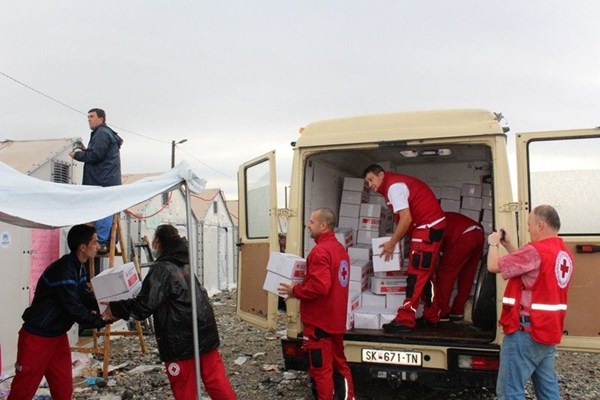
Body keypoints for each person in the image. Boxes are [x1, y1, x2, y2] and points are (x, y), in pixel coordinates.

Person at [102, 224, 236, 400]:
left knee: (184, 388)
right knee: (216, 381)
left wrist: (114, 307)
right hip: (205, 331)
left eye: (154, 242)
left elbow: (143, 306)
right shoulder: (185, 264)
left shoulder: (162, 269)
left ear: (158, 242)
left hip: (179, 340)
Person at [8, 224, 107, 400]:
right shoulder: (65, 270)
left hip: (57, 336)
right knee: (24, 388)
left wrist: (109, 304)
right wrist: (101, 320)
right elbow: (73, 306)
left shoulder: (79, 267)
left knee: (63, 386)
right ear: (82, 247)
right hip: (37, 337)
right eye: (95, 242)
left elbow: (84, 296)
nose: (98, 246)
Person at [487, 205, 574, 399]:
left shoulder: (536, 251)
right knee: (548, 391)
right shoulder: (562, 253)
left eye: (529, 225)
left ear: (540, 225)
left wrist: (493, 244)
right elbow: (528, 267)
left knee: (510, 391)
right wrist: (509, 246)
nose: (528, 229)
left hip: (525, 333)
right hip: (547, 331)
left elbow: (493, 266)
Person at [278, 208, 355, 400]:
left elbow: (320, 287)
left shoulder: (320, 252)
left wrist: (295, 291)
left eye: (311, 222)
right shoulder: (339, 250)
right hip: (335, 321)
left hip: (320, 323)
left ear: (323, 225)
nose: (307, 225)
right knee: (340, 365)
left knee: (321, 371)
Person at [363, 164, 446, 332]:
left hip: (427, 229)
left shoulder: (394, 187)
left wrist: (392, 243)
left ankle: (405, 319)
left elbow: (406, 219)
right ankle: (432, 316)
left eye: (371, 180)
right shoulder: (394, 186)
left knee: (415, 275)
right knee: (426, 275)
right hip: (430, 227)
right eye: (367, 182)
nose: (370, 185)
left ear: (381, 175)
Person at [69, 108, 123, 253]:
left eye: (92, 116)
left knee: (103, 210)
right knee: (108, 210)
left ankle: (102, 241)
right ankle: (109, 241)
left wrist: (78, 155)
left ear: (101, 119)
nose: (89, 119)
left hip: (102, 181)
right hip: (106, 180)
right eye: (88, 117)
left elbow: (96, 156)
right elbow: (97, 154)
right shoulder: (103, 134)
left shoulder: (102, 134)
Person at [436, 212, 484, 322]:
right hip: (478, 233)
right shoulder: (443, 217)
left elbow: (434, 253)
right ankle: (458, 310)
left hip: (463, 236)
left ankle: (442, 311)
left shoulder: (430, 224)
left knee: (446, 274)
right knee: (467, 274)